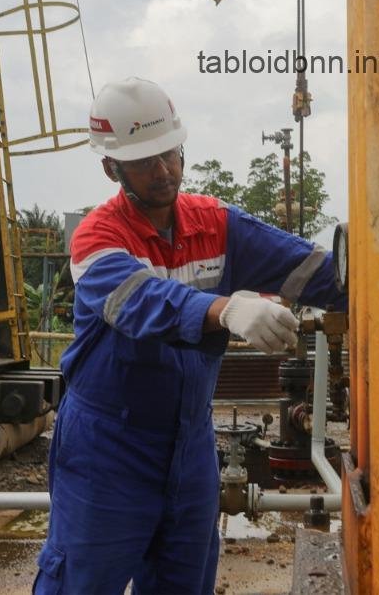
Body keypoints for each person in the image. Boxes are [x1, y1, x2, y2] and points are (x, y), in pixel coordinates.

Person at [33, 77, 344, 595]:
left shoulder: (215, 224)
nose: (163, 170)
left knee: (184, 582)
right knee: (82, 581)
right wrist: (226, 309)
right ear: (112, 168)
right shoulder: (98, 237)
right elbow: (141, 303)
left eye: (170, 153)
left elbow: (310, 270)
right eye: (144, 161)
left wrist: (375, 279)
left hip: (191, 443)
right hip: (108, 448)